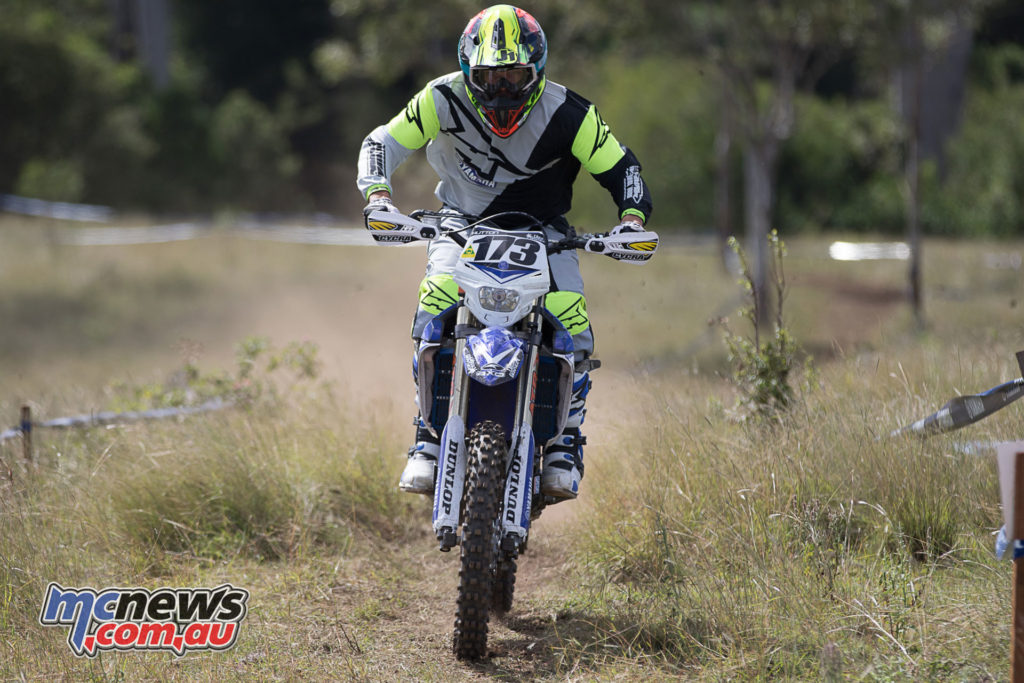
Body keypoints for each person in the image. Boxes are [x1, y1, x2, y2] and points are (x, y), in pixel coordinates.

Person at [356, 4, 652, 500]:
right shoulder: (440, 97)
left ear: (536, 69)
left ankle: (565, 442)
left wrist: (630, 220)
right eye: (490, 76)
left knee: (572, 324)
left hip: (546, 231)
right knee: (434, 305)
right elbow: (381, 142)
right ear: (469, 70)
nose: (501, 89)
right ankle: (426, 437)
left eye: (514, 74)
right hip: (461, 224)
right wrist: (379, 197)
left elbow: (625, 171)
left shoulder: (569, 112)